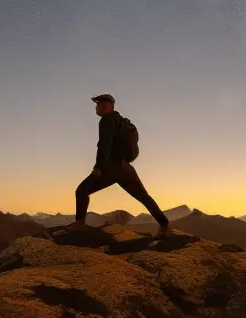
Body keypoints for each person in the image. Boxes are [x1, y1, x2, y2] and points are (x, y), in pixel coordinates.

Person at [66, 94, 172, 240]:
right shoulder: (123, 122)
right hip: (126, 168)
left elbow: (105, 145)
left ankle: (79, 224)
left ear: (107, 106)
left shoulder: (106, 121)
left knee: (82, 191)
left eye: (99, 105)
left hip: (111, 166)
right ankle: (165, 225)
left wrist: (99, 167)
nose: (96, 107)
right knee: (144, 197)